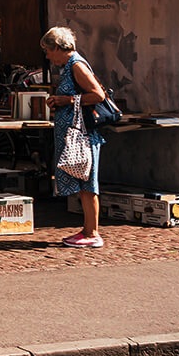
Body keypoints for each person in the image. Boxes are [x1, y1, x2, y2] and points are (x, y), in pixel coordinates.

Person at [42, 26, 108, 248]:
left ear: (59, 48)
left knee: (88, 183)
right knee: (83, 183)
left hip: (84, 136)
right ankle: (88, 230)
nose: (48, 56)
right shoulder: (69, 66)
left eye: (49, 51)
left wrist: (66, 101)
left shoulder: (76, 65)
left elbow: (97, 94)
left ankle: (92, 233)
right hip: (77, 135)